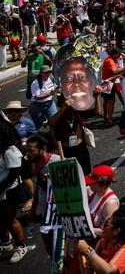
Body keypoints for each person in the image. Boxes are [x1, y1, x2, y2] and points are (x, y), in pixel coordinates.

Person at [75, 210, 125, 274]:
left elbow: (109, 271)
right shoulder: (104, 241)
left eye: (106, 224)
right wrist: (80, 251)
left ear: (116, 231)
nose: (101, 227)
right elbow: (88, 269)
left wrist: (87, 250)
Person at [25, 134, 61, 256]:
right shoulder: (36, 164)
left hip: (59, 211)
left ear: (43, 149)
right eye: (27, 151)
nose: (28, 154)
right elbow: (38, 187)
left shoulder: (56, 161)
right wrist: (33, 209)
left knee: (61, 246)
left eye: (31, 150)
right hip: (46, 211)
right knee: (49, 243)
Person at [0, 132, 28, 264]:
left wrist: (0, 188)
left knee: (10, 219)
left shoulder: (9, 151)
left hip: (8, 191)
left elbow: (14, 173)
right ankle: (6, 242)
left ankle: (21, 246)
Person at [49, 92, 92, 174]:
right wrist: (62, 157)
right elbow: (51, 123)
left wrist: (96, 97)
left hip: (81, 149)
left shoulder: (78, 113)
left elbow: (96, 111)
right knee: (73, 174)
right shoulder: (60, 116)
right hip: (67, 151)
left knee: (86, 173)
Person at [86, 164, 120, 237]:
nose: (89, 184)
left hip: (97, 244)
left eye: (93, 183)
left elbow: (108, 232)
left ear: (104, 185)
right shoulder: (91, 190)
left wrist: (85, 229)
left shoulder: (110, 203)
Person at [28, 62, 57, 129]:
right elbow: (37, 97)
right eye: (45, 72)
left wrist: (58, 90)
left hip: (50, 104)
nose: (48, 74)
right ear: (41, 73)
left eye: (49, 72)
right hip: (37, 106)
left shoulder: (51, 79)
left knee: (55, 120)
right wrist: (49, 93)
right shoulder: (35, 83)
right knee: (37, 125)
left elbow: (56, 87)